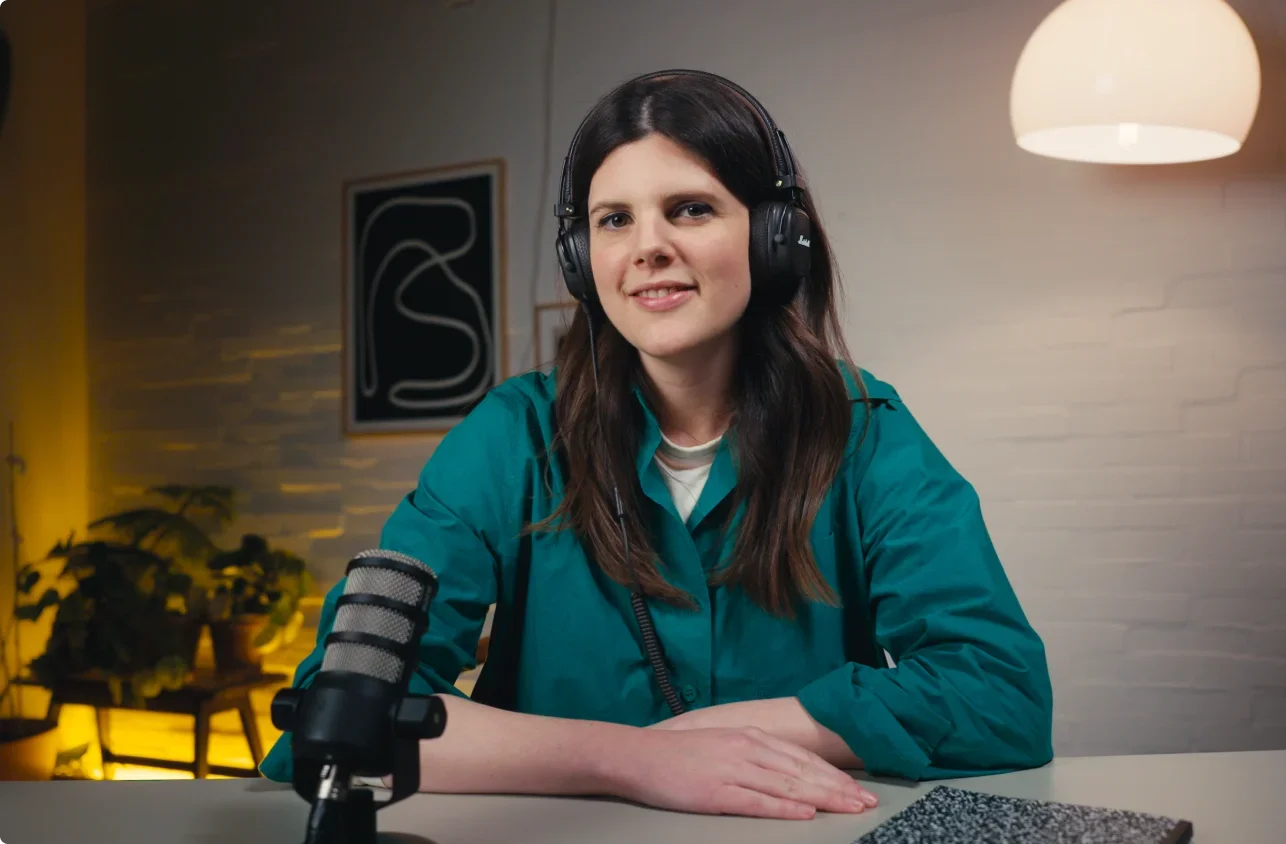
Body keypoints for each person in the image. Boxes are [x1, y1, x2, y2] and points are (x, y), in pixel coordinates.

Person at [259, 68, 1053, 821]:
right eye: (614, 220)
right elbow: (335, 718)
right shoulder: (512, 436)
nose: (647, 247)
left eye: (691, 209)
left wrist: (766, 733)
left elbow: (1000, 695)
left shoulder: (865, 430)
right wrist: (630, 759)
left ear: (776, 238)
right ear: (583, 259)